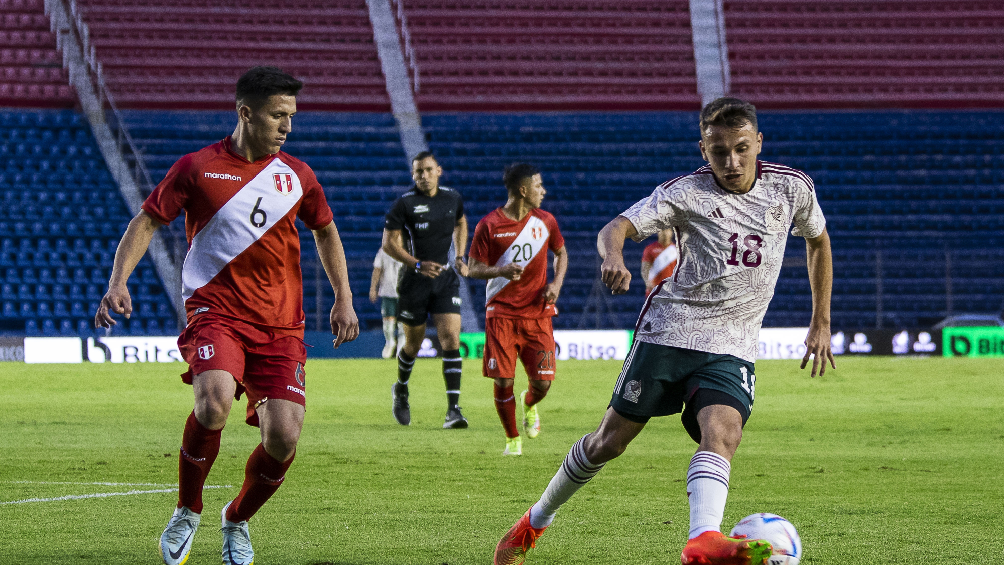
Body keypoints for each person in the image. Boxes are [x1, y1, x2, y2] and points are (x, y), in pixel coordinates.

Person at [493, 97, 835, 565]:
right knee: (608, 442)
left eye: (741, 149)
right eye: (719, 152)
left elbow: (818, 241)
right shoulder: (685, 193)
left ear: (758, 142)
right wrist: (614, 256)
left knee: (724, 432)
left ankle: (702, 540)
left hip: (733, 343)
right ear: (703, 149)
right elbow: (615, 227)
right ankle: (534, 521)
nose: (731, 162)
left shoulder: (792, 189)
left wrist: (821, 321)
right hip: (670, 331)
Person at [94, 66, 359, 565]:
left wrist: (343, 296)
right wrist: (118, 281)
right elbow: (147, 221)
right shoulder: (197, 168)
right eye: (277, 116)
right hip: (216, 311)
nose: (287, 126)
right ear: (245, 113)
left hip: (281, 324)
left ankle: (235, 519)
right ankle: (187, 510)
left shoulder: (298, 176)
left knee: (283, 437)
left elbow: (326, 231)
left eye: (291, 116)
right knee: (213, 402)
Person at [468, 163, 568, 456]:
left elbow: (561, 253)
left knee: (543, 383)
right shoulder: (489, 225)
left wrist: (556, 284)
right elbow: (473, 268)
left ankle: (530, 403)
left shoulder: (546, 221)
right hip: (501, 313)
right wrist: (500, 270)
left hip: (538, 313)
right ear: (523, 190)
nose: (543, 191)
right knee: (504, 380)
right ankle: (512, 440)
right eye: (538, 186)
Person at [382, 151, 470, 428]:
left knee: (451, 339)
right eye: (419, 171)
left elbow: (461, 222)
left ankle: (453, 410)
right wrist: (417, 264)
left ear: (438, 171)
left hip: (445, 279)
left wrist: (460, 255)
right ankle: (401, 389)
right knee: (413, 345)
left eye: (429, 170)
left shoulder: (452, 198)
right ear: (413, 175)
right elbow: (388, 243)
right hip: (414, 282)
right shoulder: (404, 204)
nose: (424, 175)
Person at [369, 246, 404, 358]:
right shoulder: (384, 251)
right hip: (387, 291)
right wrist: (373, 288)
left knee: (403, 323)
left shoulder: (409, 249)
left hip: (405, 293)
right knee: (388, 322)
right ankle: (390, 342)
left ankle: (402, 348)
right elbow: (377, 269)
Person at [641, 228, 678, 295]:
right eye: (662, 230)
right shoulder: (650, 249)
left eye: (667, 230)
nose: (665, 233)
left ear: (671, 232)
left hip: (671, 290)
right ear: (658, 232)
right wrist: (647, 282)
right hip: (654, 289)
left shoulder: (677, 250)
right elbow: (645, 268)